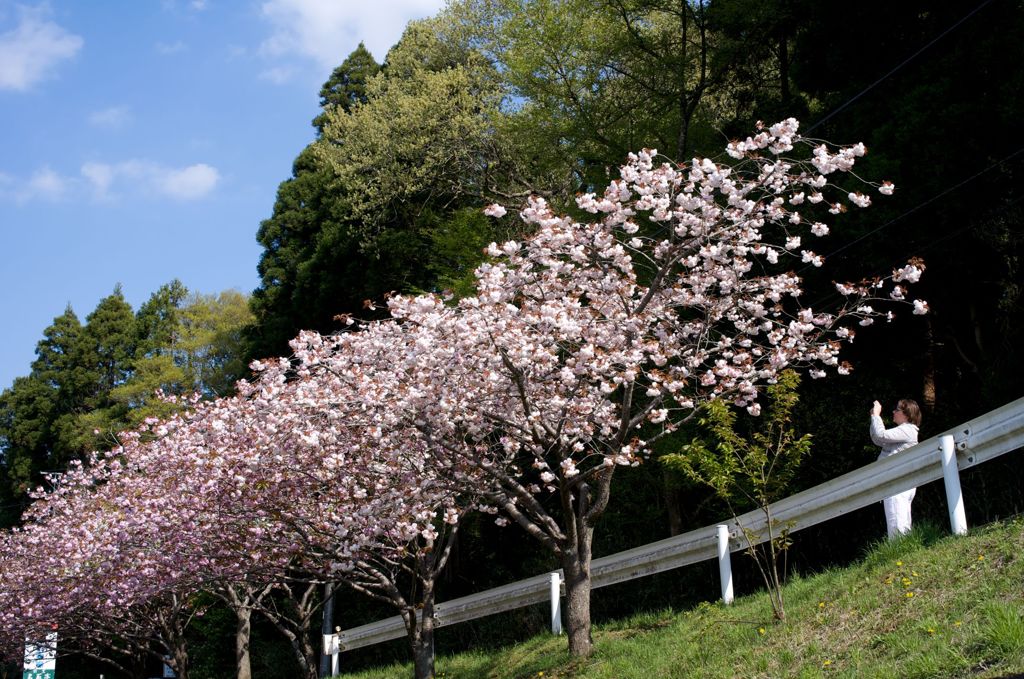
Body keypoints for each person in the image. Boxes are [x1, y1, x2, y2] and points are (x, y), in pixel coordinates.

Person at [870, 398, 922, 538]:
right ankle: (905, 552)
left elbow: (880, 435)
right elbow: (877, 439)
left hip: (898, 482)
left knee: (897, 522)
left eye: (897, 410)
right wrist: (874, 418)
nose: (893, 411)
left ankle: (900, 553)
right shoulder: (905, 431)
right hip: (899, 481)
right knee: (901, 521)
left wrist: (876, 416)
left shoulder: (907, 430)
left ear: (907, 414)